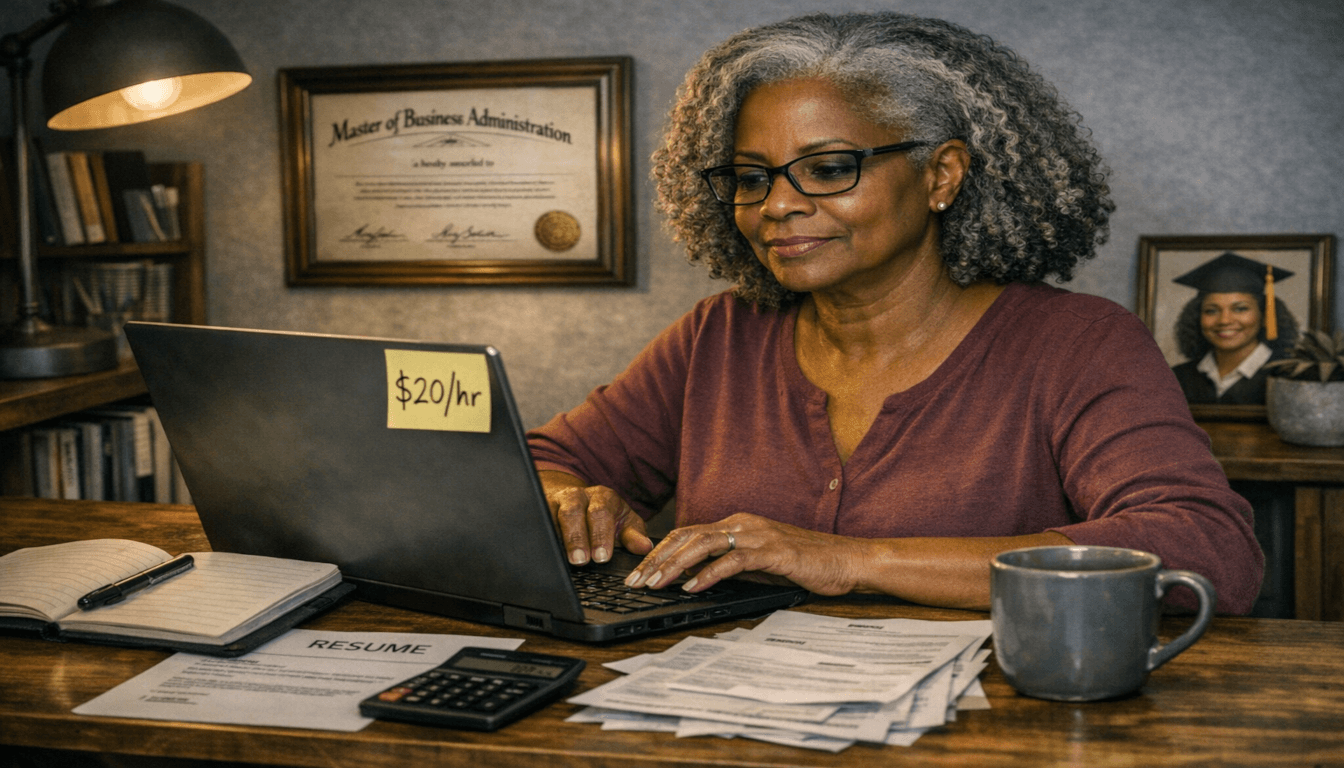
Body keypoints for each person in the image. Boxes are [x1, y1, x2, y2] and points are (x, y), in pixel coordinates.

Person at [527, 12, 1264, 614]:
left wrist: (846, 559)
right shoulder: (723, 333)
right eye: (751, 178)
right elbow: (546, 461)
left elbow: (1205, 548)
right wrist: (571, 501)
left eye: (828, 168)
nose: (778, 204)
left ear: (941, 175)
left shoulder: (1075, 344)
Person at [1169, 252, 1299, 405]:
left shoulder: (1290, 376)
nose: (1224, 320)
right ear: (1197, 318)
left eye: (1240, 309)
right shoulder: (1176, 378)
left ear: (1265, 316)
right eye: (1211, 310)